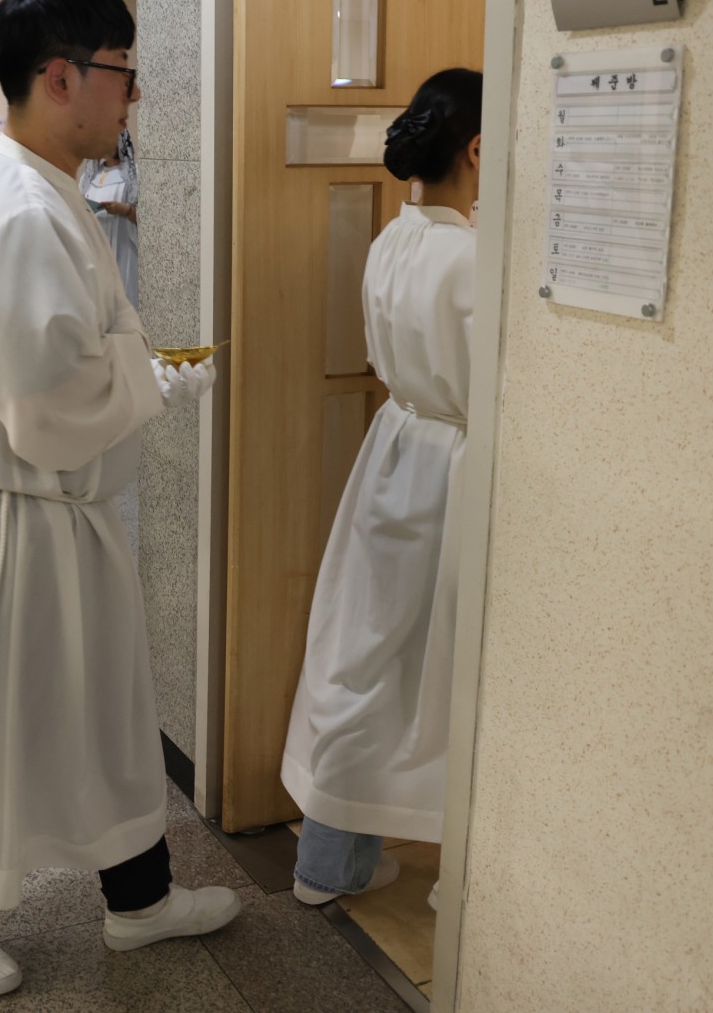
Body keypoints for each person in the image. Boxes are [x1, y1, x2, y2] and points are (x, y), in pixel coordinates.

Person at [0, 0, 230, 998]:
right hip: (3, 521)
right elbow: (45, 409)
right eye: (123, 72)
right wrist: (152, 381)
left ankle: (139, 898)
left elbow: (64, 358)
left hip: (50, 513)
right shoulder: (22, 210)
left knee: (104, 712)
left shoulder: (41, 183)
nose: (133, 96)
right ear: (61, 77)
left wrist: (135, 370)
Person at [279, 68, 482, 910]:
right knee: (436, 666)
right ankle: (457, 879)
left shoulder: (394, 236)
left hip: (393, 444)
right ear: (478, 150)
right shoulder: (473, 256)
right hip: (451, 465)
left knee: (362, 652)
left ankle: (330, 858)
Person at [79, 129, 140, 306]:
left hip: (122, 245)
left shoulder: (133, 175)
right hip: (96, 245)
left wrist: (124, 210)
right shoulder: (90, 177)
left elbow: (149, 220)